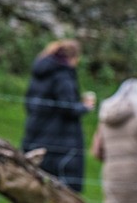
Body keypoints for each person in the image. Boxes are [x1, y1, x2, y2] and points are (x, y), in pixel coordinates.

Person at [21, 39, 95, 193]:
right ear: (74, 57)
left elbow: (29, 102)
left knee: (36, 185)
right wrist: (85, 106)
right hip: (60, 139)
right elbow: (67, 108)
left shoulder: (40, 74)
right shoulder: (63, 75)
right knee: (62, 188)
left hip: (36, 132)